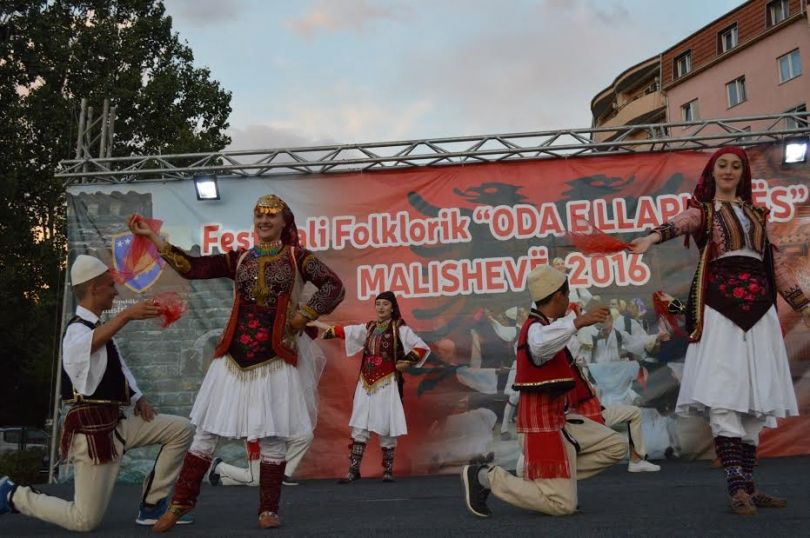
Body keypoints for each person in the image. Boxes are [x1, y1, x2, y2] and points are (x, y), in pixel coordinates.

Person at [129, 194, 345, 530]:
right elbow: (193, 267)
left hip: (275, 356)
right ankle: (180, 503)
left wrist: (304, 315)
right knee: (206, 433)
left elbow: (334, 286)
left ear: (284, 222)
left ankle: (268, 510)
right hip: (233, 356)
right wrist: (153, 238)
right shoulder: (241, 257)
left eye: (271, 216)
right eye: (259, 216)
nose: (264, 221)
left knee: (272, 435)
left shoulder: (298, 257)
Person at [629, 146, 810, 515]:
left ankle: (749, 486)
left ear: (743, 174)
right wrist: (650, 238)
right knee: (725, 394)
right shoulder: (705, 211)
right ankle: (736, 487)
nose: (728, 171)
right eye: (722, 165)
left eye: (735, 166)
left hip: (760, 315)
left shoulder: (757, 215)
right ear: (712, 172)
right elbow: (680, 223)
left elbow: (775, 266)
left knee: (755, 400)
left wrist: (803, 304)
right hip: (721, 313)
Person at [0, 255, 194, 531]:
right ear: (94, 288)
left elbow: (119, 366)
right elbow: (80, 351)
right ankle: (12, 494)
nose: (115, 292)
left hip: (117, 425)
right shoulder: (77, 329)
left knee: (181, 429)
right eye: (110, 285)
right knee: (84, 521)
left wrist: (138, 398)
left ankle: (152, 506)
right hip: (93, 435)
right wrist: (126, 315)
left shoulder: (98, 330)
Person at [460, 265, 625, 518]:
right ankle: (485, 476)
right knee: (563, 505)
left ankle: (540, 476)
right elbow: (539, 345)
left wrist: (576, 323)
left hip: (561, 423)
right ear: (558, 296)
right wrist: (577, 322)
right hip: (542, 429)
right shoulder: (534, 329)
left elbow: (560, 345)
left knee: (615, 446)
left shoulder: (550, 327)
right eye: (567, 295)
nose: (569, 300)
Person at [310, 291, 430, 483]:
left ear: (392, 307)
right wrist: (318, 325)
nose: (381, 307)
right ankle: (353, 471)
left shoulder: (399, 328)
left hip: (387, 383)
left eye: (385, 304)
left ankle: (388, 471)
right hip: (365, 383)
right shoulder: (370, 327)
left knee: (386, 424)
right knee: (360, 424)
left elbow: (420, 347)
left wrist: (407, 360)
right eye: (378, 304)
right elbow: (345, 332)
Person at [208, 435, 313, 486]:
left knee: (304, 436)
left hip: (279, 429)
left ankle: (282, 474)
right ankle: (219, 467)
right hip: (257, 433)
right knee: (256, 480)